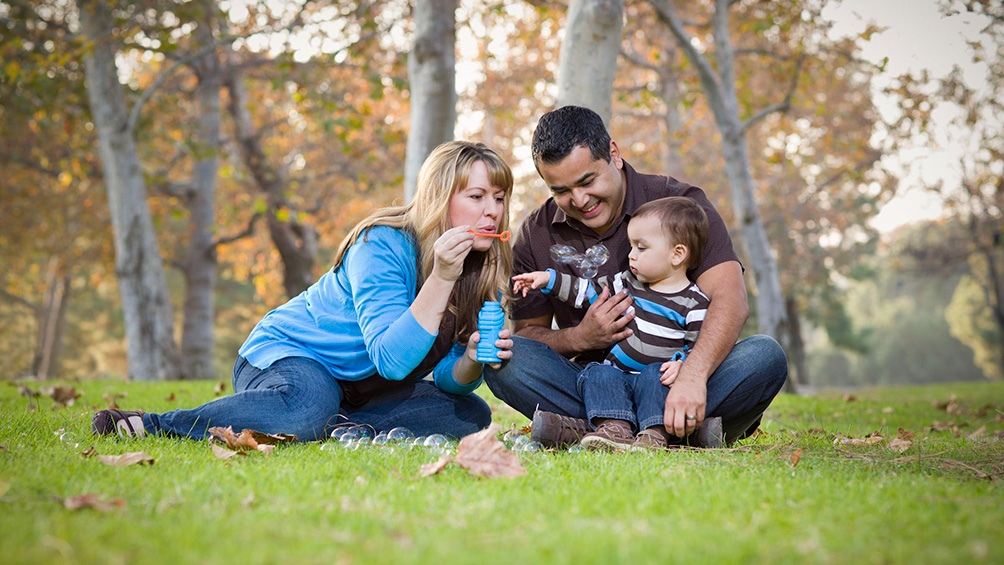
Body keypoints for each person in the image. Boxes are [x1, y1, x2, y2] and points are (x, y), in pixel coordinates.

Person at [92, 141, 516, 442]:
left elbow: (445, 377)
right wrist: (441, 278)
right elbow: (392, 359)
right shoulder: (383, 243)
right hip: (290, 357)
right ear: (440, 198)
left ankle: (329, 425)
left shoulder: (480, 267)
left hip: (360, 389)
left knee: (469, 414)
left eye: (499, 197)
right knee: (306, 406)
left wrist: (470, 360)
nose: (491, 210)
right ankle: (157, 424)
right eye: (476, 195)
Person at [483, 105, 787, 448]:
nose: (580, 200)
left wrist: (692, 375)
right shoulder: (537, 233)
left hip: (673, 378)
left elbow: (730, 300)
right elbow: (528, 334)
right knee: (505, 359)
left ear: (614, 154)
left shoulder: (681, 205)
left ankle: (593, 432)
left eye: (587, 181)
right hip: (594, 384)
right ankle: (660, 434)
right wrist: (579, 338)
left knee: (765, 356)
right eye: (561, 190)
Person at [512, 196, 713, 450]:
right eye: (631, 246)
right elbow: (586, 290)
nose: (631, 256)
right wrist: (548, 280)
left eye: (641, 248)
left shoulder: (694, 302)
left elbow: (696, 347)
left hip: (655, 380)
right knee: (599, 372)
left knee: (656, 376)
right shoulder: (628, 282)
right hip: (619, 374)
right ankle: (614, 428)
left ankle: (654, 433)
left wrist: (683, 365)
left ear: (677, 254)